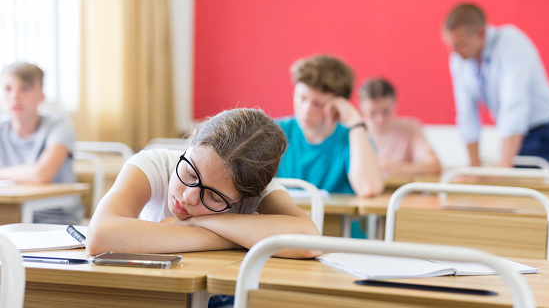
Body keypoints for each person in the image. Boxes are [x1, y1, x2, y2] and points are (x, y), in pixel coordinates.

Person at [87, 108, 320, 259]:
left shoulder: (259, 192)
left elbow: (309, 241)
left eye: (215, 197)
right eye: (189, 172)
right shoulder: (153, 164)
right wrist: (232, 238)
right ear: (191, 140)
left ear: (247, 196)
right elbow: (99, 237)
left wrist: (198, 222)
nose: (188, 197)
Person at [442, 3, 549, 168]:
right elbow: (466, 113)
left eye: (460, 44)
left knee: (521, 186)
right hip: (515, 136)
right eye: (450, 45)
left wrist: (504, 167)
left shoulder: (510, 43)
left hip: (546, 132)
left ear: (481, 33)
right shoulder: (460, 58)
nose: (454, 51)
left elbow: (514, 106)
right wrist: (475, 167)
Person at [276, 54, 384, 197]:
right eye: (302, 98)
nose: (307, 109)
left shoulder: (353, 139)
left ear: (339, 104)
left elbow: (368, 188)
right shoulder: (274, 132)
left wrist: (356, 122)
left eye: (318, 104)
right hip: (283, 219)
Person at [0, 62, 83, 224]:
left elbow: (41, 174)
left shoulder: (59, 126)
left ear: (41, 95)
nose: (15, 96)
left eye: (25, 88)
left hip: (55, 219)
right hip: (10, 216)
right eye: (8, 89)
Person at [358, 78, 441, 177]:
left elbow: (434, 165)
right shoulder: (354, 130)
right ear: (361, 106)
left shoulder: (410, 128)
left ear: (394, 103)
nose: (380, 119)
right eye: (373, 112)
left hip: (401, 190)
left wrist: (399, 169)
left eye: (385, 111)